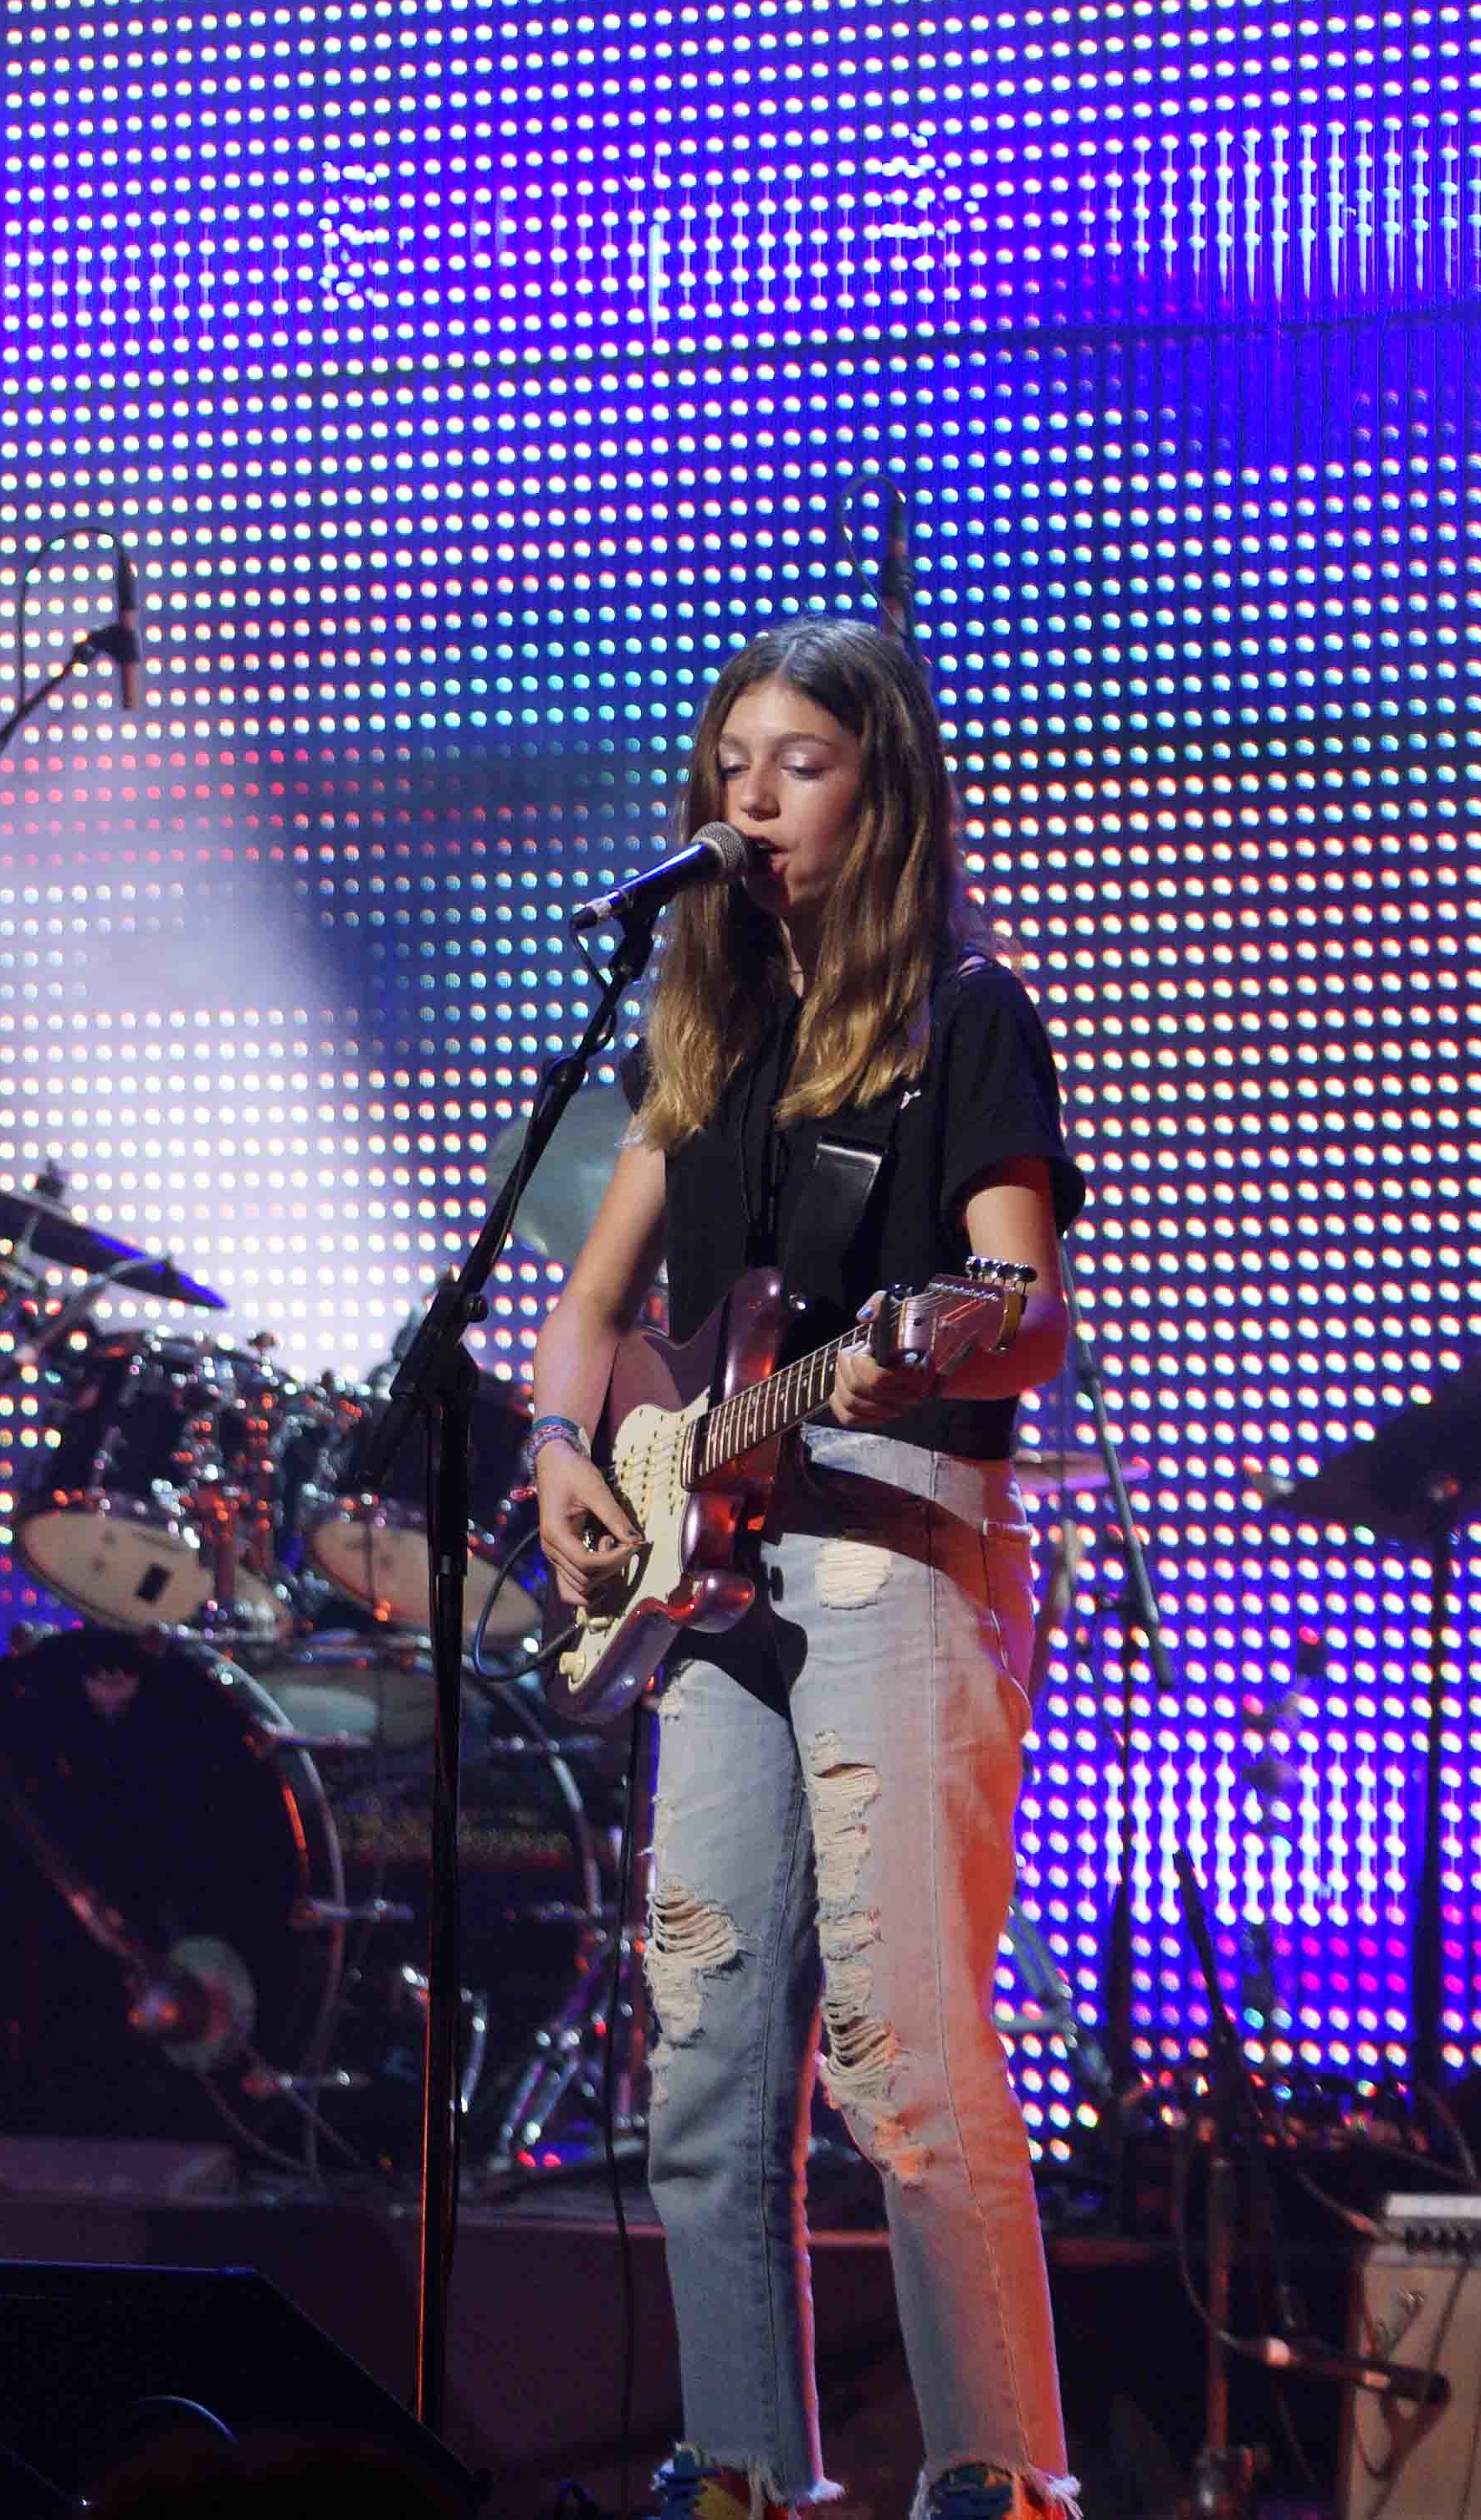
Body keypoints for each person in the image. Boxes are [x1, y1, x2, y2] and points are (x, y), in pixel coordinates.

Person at [531, 618, 1081, 2520]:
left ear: (881, 790)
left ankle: (999, 2479)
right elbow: (591, 1307)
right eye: (732, 763)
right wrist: (562, 1449)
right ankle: (746, 2475)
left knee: (899, 2050)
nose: (752, 798)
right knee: (702, 2057)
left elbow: (1018, 1311)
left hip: (895, 1548)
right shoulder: (703, 1033)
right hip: (715, 1581)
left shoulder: (962, 1013)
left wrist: (914, 1350)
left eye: (801, 763)